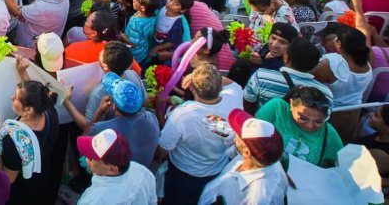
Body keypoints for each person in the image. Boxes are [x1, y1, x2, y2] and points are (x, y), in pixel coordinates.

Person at [157, 64, 240, 204]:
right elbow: (233, 84)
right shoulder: (234, 98)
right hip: (218, 171)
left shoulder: (181, 115)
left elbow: (163, 149)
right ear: (220, 86)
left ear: (191, 88)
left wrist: (159, 109)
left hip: (183, 177)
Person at [0, 59, 61, 205]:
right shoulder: (49, 111)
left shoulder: (14, 140)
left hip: (22, 193)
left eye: (16, 98)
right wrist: (22, 72)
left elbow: (8, 179)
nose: (11, 98)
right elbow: (35, 94)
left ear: (28, 110)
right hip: (43, 181)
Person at [198, 108, 288, 205]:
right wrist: (225, 130)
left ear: (247, 151)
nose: (234, 132)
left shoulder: (261, 198)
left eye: (238, 133)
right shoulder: (264, 157)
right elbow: (241, 147)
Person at [75, 129, 157, 205]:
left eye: (91, 158)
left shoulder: (93, 201)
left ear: (111, 170)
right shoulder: (143, 172)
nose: (86, 159)